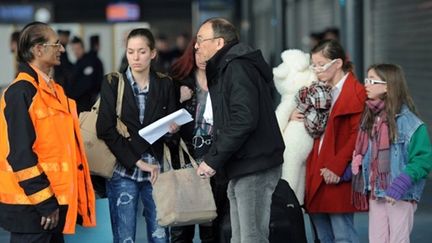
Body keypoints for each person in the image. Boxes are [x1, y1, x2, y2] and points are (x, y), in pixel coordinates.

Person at [0, 21, 96, 243]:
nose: (62, 49)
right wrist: (45, 202)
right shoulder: (21, 92)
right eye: (57, 44)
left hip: (50, 207)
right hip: (34, 209)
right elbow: (20, 156)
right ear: (38, 49)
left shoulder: (53, 91)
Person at [194, 17, 285, 243]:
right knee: (239, 238)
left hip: (254, 163)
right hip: (243, 163)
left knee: (251, 237)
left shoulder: (237, 67)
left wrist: (213, 160)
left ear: (219, 43)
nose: (196, 46)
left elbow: (243, 119)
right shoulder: (228, 67)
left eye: (201, 39)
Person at [96, 28, 178, 243]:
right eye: (131, 51)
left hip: (158, 171)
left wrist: (172, 132)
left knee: (160, 236)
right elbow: (104, 128)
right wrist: (138, 162)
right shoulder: (113, 83)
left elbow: (170, 129)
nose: (135, 57)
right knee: (125, 238)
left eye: (141, 51)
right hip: (123, 170)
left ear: (153, 53)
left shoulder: (165, 83)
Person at [351, 64, 432, 243]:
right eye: (366, 80)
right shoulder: (370, 118)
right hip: (376, 192)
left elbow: (423, 160)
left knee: (398, 239)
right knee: (377, 240)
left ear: (387, 86)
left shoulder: (410, 123)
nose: (366, 85)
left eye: (371, 81)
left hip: (401, 194)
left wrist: (401, 183)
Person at [296, 39, 366, 243]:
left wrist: (336, 167)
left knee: (343, 235)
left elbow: (358, 135)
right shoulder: (317, 90)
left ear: (337, 64)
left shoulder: (357, 93)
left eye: (321, 64)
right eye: (314, 65)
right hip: (316, 170)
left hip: (336, 173)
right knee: (322, 236)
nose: (316, 69)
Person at [169, 37, 228, 243]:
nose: (202, 57)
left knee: (212, 227)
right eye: (198, 52)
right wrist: (178, 100)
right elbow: (163, 122)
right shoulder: (180, 83)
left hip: (215, 162)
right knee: (182, 228)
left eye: (206, 52)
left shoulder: (224, 81)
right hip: (186, 162)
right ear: (191, 54)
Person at [69, 36, 104, 113]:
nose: (76, 51)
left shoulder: (90, 61)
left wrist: (72, 96)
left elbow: (87, 84)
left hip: (86, 102)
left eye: (78, 49)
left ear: (83, 48)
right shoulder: (77, 63)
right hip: (76, 102)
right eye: (74, 49)